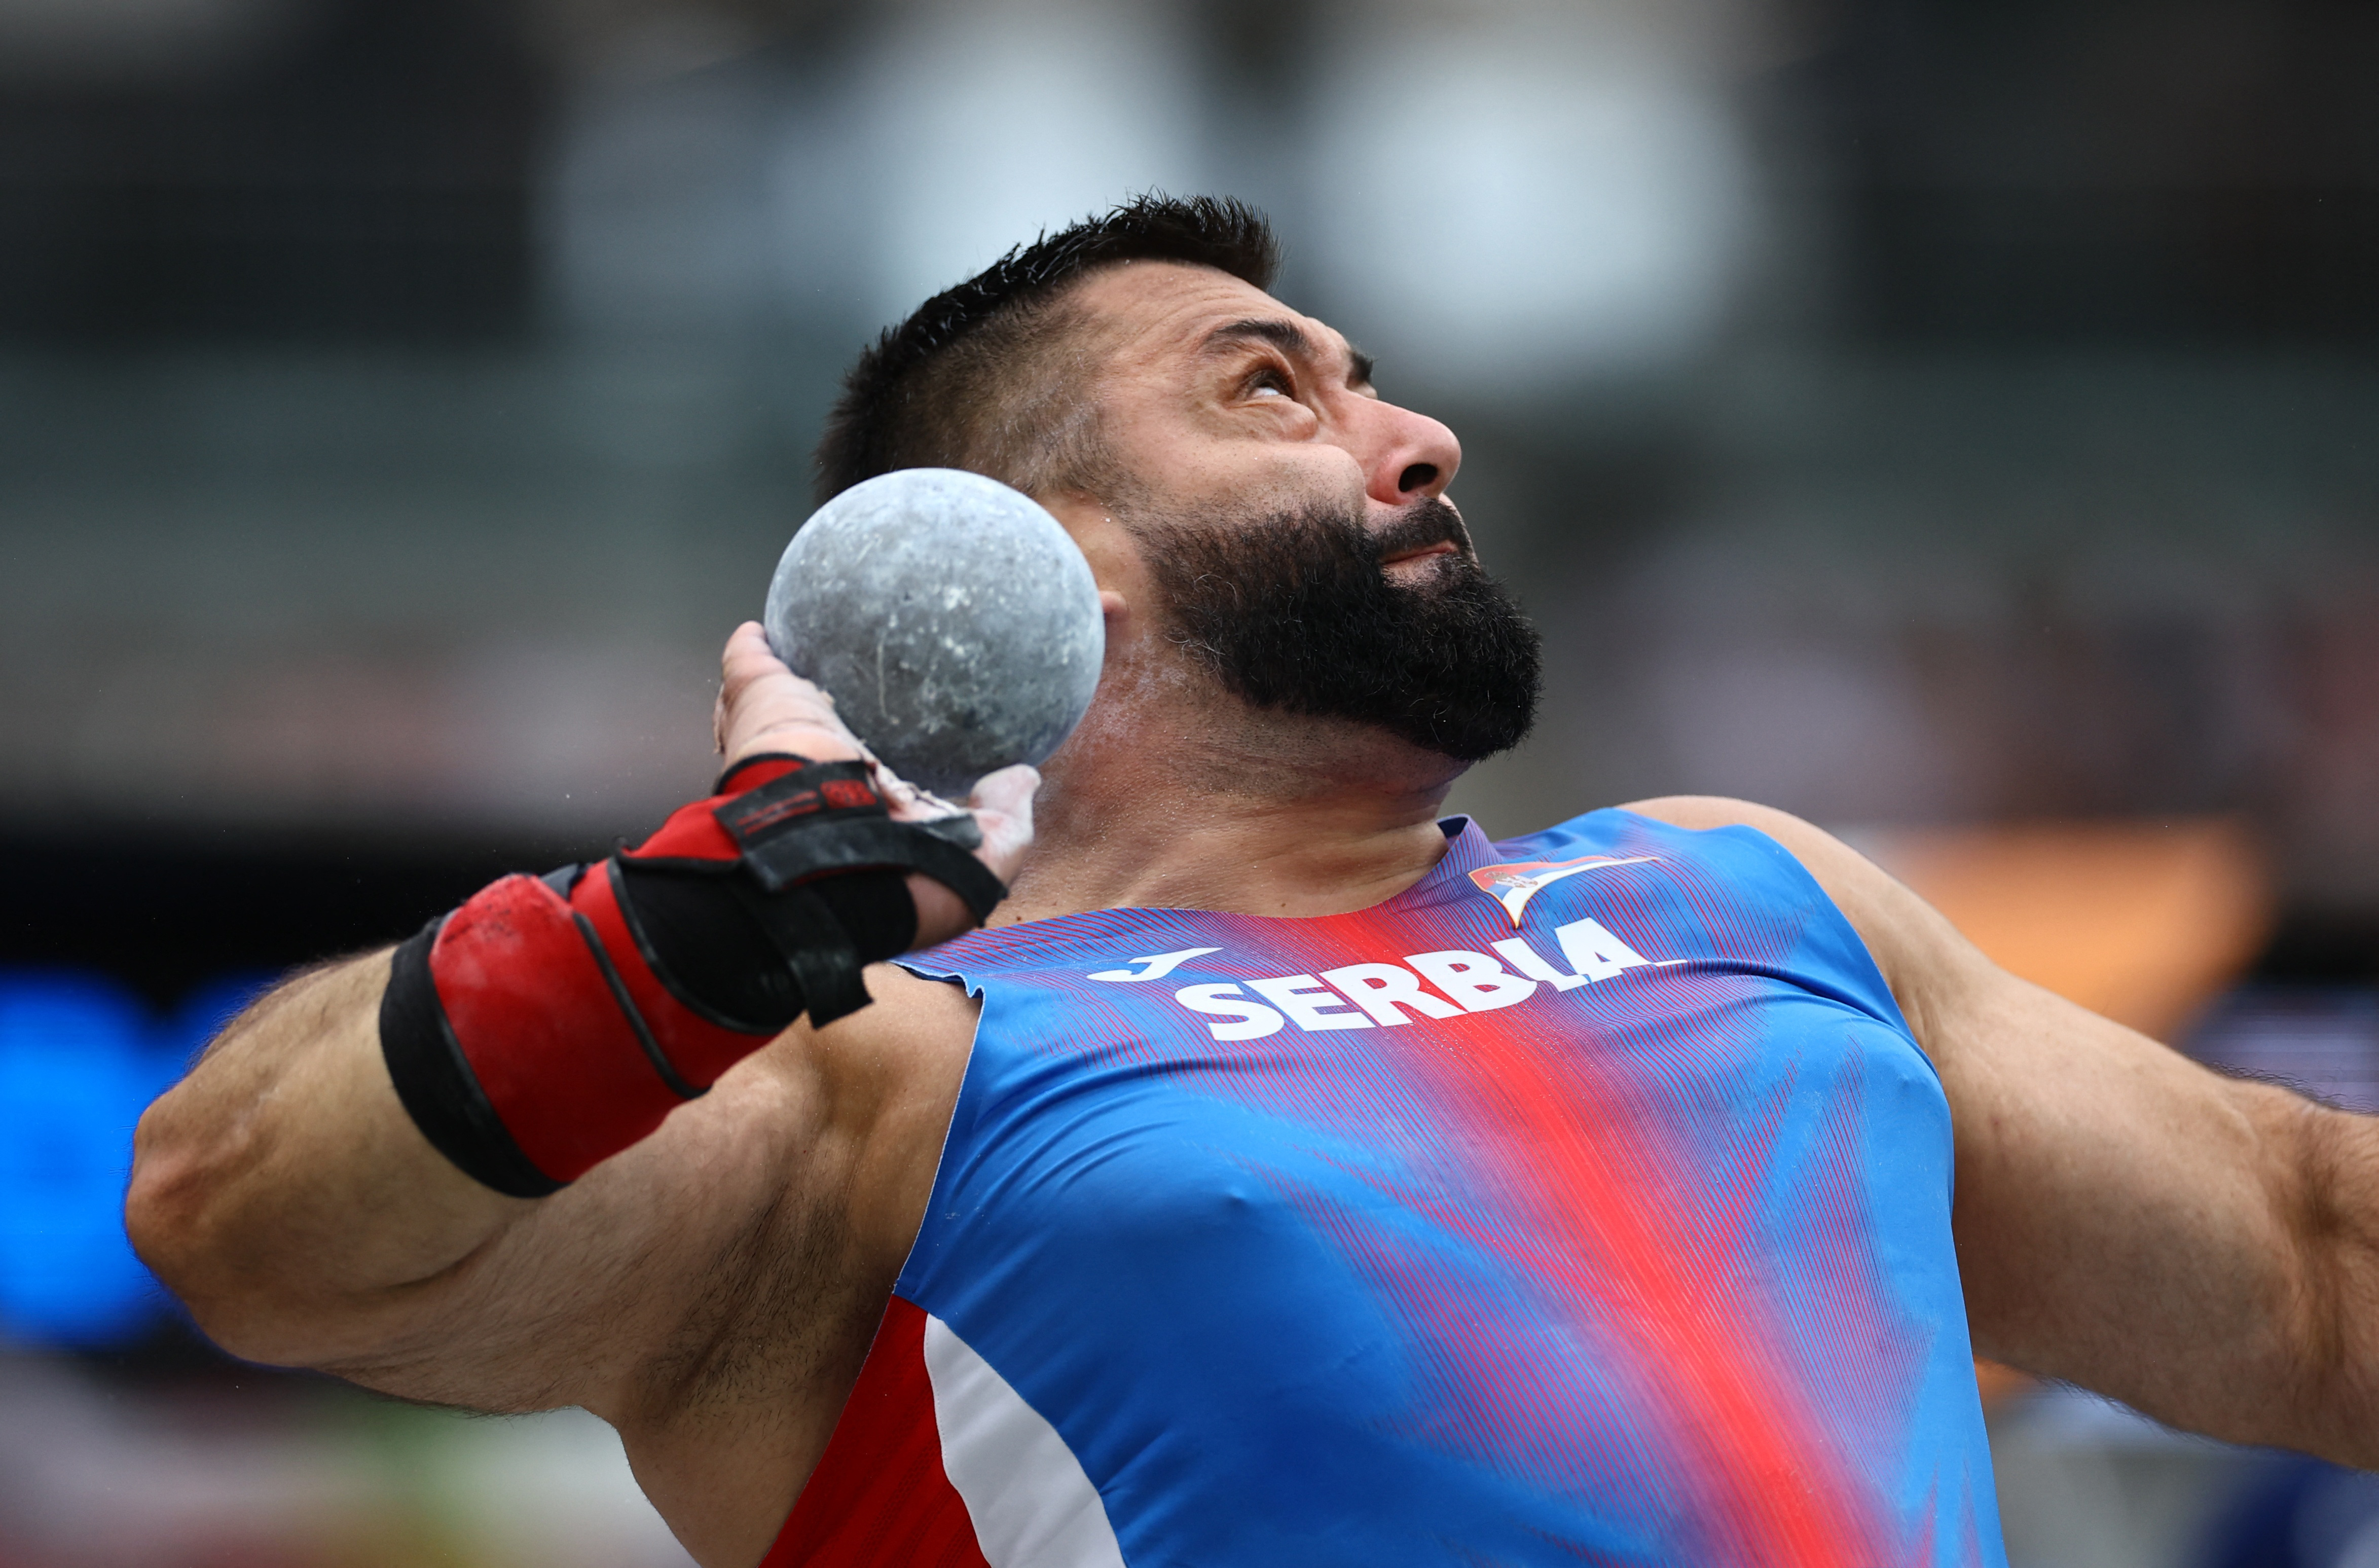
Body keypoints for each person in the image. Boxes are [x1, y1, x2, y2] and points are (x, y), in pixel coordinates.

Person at [127, 196, 2378, 1568]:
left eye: (1370, 384)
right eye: (1269, 392)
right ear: (1019, 561)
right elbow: (239, 1214)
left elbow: (2303, 1259)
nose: (1418, 436)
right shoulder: (878, 1081)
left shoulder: (1747, 895)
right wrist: (679, 933)